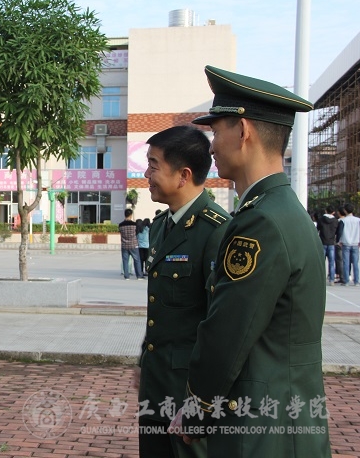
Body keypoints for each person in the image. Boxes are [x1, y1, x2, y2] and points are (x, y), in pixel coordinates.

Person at [171, 65, 331, 457]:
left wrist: (196, 409)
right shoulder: (283, 210)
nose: (211, 146)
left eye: (215, 132)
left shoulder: (260, 222)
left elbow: (228, 331)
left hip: (260, 430)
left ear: (243, 131)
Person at [134, 125, 230, 457]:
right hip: (155, 383)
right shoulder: (161, 226)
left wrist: (202, 401)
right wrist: (143, 362)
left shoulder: (217, 231)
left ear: (183, 175)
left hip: (190, 391)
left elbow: (221, 325)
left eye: (153, 165)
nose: (146, 174)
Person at [317, 205, 338, 286]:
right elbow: (337, 232)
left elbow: (317, 229)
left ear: (326, 211)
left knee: (321, 263)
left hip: (322, 242)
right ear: (333, 212)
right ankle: (332, 280)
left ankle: (320, 279)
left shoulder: (321, 219)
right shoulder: (335, 221)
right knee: (331, 263)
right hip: (331, 243)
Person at [119, 208, 143, 280]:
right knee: (137, 260)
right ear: (131, 215)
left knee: (125, 261)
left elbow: (121, 233)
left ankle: (126, 276)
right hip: (133, 244)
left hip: (124, 245)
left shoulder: (120, 225)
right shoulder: (134, 224)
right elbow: (137, 233)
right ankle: (139, 276)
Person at [339, 203, 360, 286]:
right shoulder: (358, 220)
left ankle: (346, 281)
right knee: (355, 263)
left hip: (345, 243)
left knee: (346, 262)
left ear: (345, 211)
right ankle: (356, 281)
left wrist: (339, 241)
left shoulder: (343, 220)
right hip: (355, 243)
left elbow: (340, 232)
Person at [335, 206, 346, 283]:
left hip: (341, 242)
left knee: (340, 260)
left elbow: (339, 232)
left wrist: (337, 241)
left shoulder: (339, 221)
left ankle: (341, 276)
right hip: (353, 242)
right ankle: (348, 275)